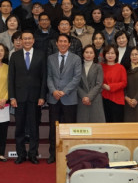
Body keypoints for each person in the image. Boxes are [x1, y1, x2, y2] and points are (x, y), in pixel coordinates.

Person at [8, 31, 47, 164]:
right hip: (19, 98)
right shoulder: (15, 56)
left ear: (33, 40)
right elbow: (11, 78)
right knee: (19, 128)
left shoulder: (41, 55)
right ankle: (20, 154)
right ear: (21, 41)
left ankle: (33, 154)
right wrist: (12, 97)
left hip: (35, 98)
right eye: (24, 39)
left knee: (34, 127)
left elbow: (44, 77)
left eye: (29, 38)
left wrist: (42, 96)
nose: (27, 41)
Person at [46, 34, 82, 164]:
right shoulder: (50, 58)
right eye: (60, 41)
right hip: (54, 98)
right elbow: (49, 76)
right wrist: (53, 91)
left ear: (69, 44)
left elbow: (77, 78)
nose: (62, 43)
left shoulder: (76, 58)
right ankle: (53, 154)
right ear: (56, 43)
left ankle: (70, 155)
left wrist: (64, 91)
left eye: (65, 41)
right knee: (53, 128)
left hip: (69, 98)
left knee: (69, 128)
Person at [77, 44, 105, 123]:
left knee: (96, 125)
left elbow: (99, 84)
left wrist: (89, 97)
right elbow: (76, 84)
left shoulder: (98, 67)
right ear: (83, 54)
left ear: (94, 55)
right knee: (83, 125)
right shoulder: (78, 67)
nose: (88, 54)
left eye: (91, 52)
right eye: (86, 52)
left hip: (95, 99)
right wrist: (84, 97)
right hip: (82, 99)